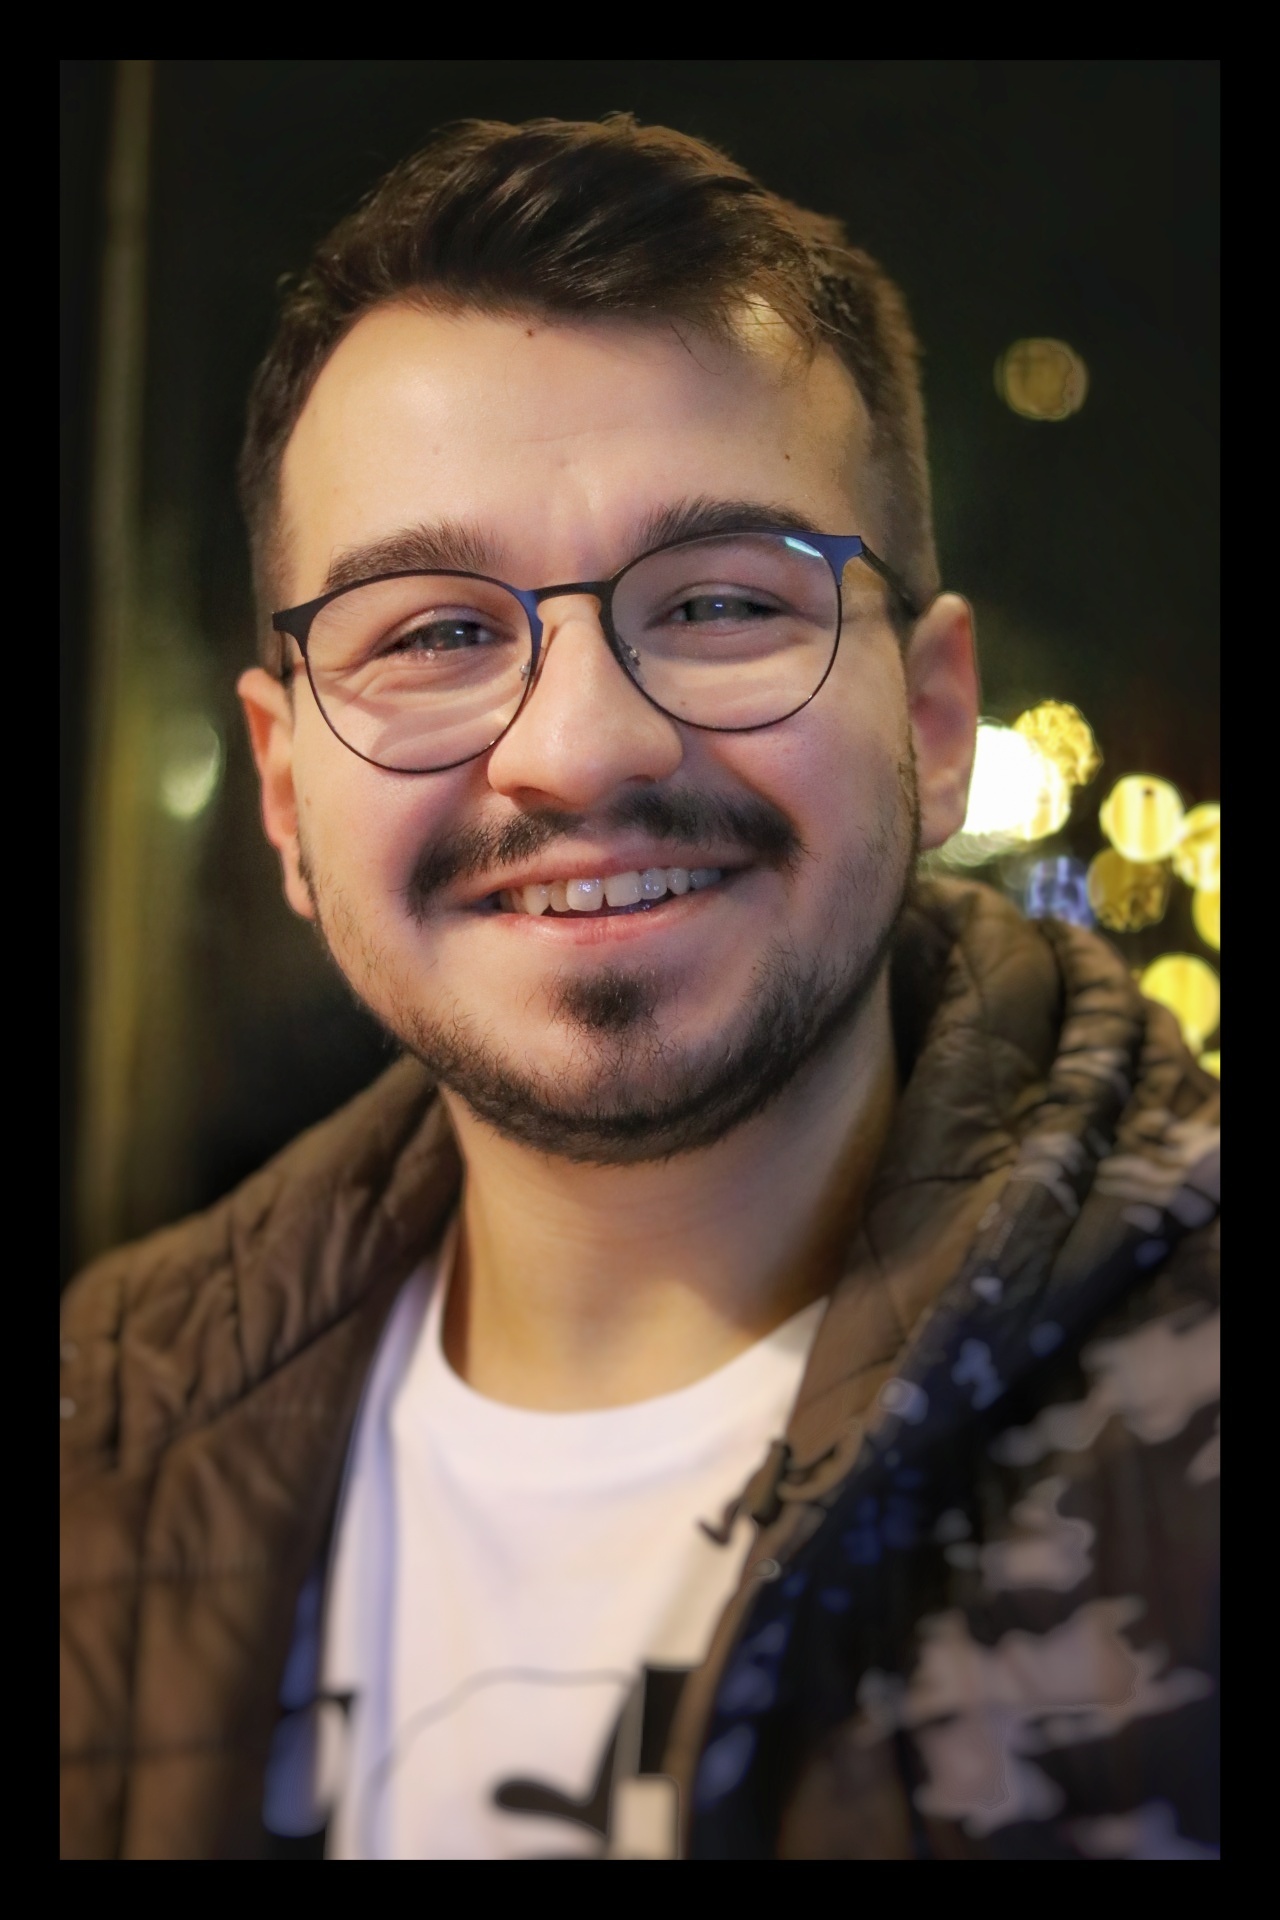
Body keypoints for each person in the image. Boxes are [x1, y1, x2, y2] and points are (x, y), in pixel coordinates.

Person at [60, 116, 1220, 1861]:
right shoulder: (105, 1421)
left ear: (931, 721)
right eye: (436, 633)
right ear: (285, 791)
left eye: (723, 606)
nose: (583, 745)